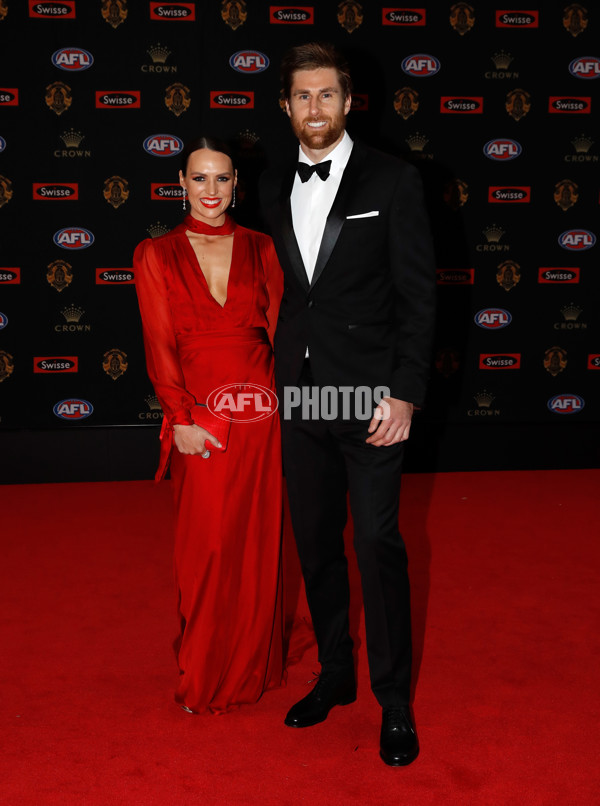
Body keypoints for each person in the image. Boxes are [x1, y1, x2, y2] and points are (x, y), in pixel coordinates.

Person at [259, 43, 436, 765]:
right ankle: (335, 674)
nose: (315, 110)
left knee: (376, 544)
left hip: (370, 398)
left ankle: (394, 699)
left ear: (350, 100)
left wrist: (405, 392)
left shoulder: (394, 181)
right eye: (302, 97)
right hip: (299, 395)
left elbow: (420, 297)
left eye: (327, 95)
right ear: (286, 106)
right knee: (316, 544)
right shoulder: (271, 183)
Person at [133, 136, 286, 714]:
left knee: (256, 539)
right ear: (181, 181)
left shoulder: (262, 248)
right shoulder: (155, 253)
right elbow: (159, 345)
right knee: (208, 544)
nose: (211, 191)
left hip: (263, 414)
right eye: (200, 178)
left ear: (235, 186)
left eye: (222, 179)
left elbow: (283, 332)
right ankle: (205, 667)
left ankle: (251, 664)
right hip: (201, 414)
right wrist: (181, 419)